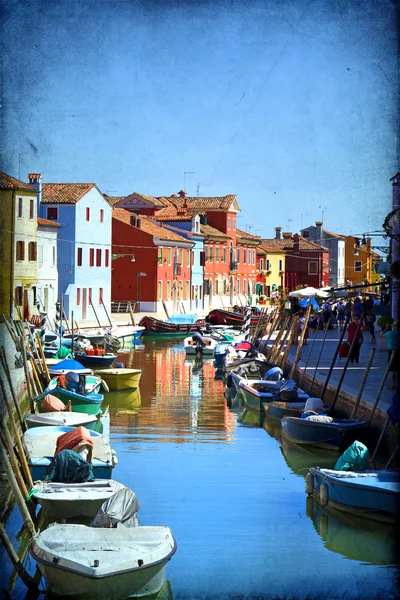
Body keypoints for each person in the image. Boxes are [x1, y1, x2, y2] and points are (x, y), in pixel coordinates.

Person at [383, 321, 400, 389]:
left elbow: (381, 335)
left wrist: (386, 328)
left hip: (392, 351)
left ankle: (393, 384)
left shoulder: (390, 333)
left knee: (392, 368)